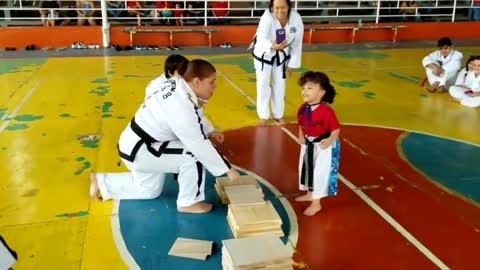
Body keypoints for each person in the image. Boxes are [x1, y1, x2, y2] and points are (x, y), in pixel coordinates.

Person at [90, 59, 240, 213]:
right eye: (212, 82)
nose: (215, 86)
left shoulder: (176, 85)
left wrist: (210, 129)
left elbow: (194, 113)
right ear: (196, 82)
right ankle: (189, 202)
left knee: (149, 190)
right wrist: (229, 170)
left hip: (133, 144)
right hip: (143, 149)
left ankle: (102, 182)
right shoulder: (180, 107)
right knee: (192, 155)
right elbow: (198, 143)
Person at [145, 54, 224, 142]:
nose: (185, 76)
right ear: (170, 72)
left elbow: (196, 113)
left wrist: (210, 130)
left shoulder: (183, 85)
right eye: (182, 73)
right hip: (158, 137)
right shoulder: (155, 88)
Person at [249, 0, 304, 125]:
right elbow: (261, 37)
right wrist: (272, 46)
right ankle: (263, 115)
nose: (280, 11)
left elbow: (297, 43)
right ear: (272, 7)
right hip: (264, 53)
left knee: (280, 84)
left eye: (283, 7)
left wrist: (292, 64)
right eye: (277, 7)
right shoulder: (267, 17)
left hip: (282, 55)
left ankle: (278, 114)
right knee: (263, 84)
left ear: (289, 7)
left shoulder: (296, 19)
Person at [294, 71, 340, 216]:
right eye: (304, 88)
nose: (305, 91)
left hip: (323, 146)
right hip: (308, 144)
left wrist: (329, 141)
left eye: (310, 88)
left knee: (319, 173)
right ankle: (309, 193)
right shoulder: (302, 109)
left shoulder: (326, 111)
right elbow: (301, 125)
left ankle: (316, 203)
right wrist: (301, 136)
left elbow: (336, 130)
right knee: (306, 169)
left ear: (321, 92)